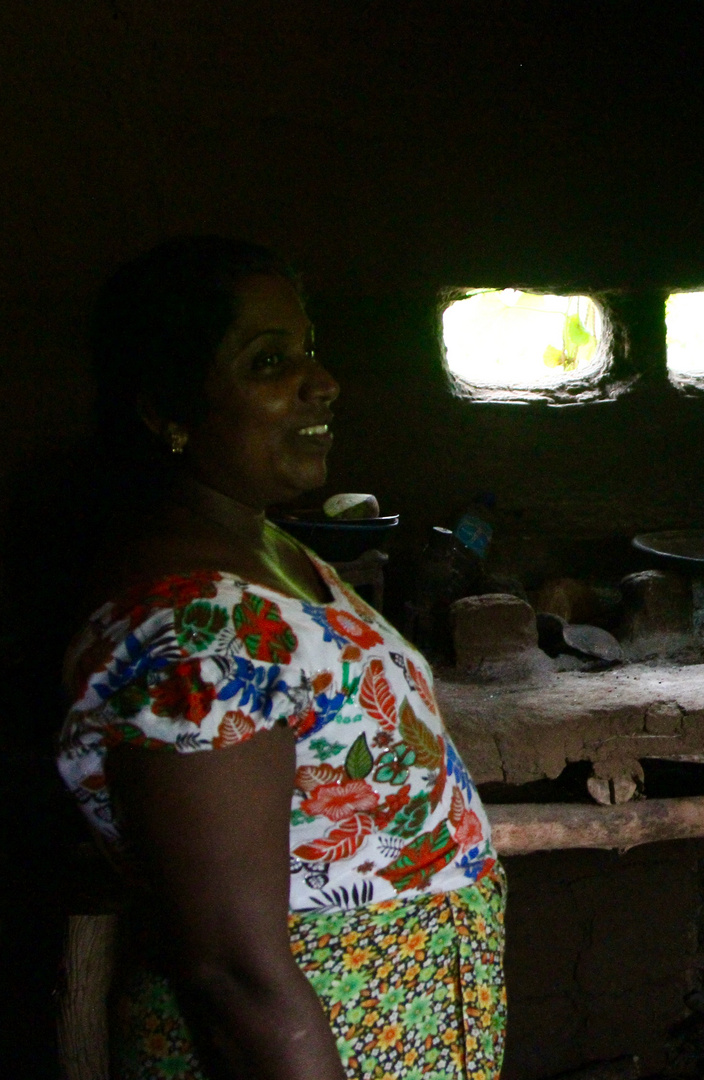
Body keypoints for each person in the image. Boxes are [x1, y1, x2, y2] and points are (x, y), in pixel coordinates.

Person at [56, 237, 504, 1080]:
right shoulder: (200, 632)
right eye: (269, 361)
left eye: (308, 349)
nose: (321, 379)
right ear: (166, 409)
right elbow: (232, 975)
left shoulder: (260, 544)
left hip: (380, 1030)